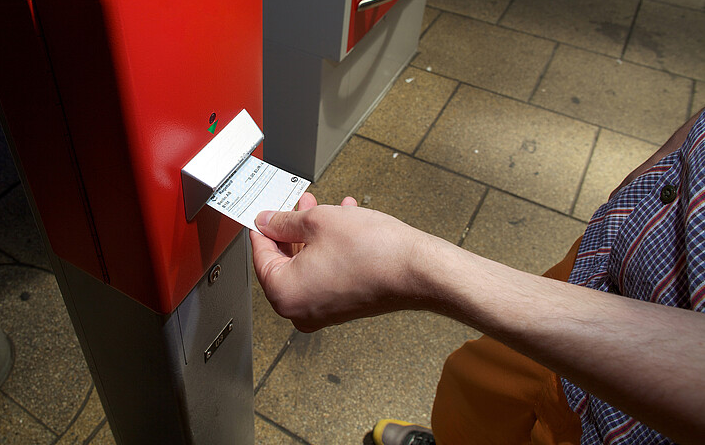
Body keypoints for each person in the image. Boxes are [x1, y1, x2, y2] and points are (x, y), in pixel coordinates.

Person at [250, 108, 705, 445]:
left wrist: (412, 266)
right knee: (474, 388)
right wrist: (656, 169)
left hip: (638, 416)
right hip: (597, 266)